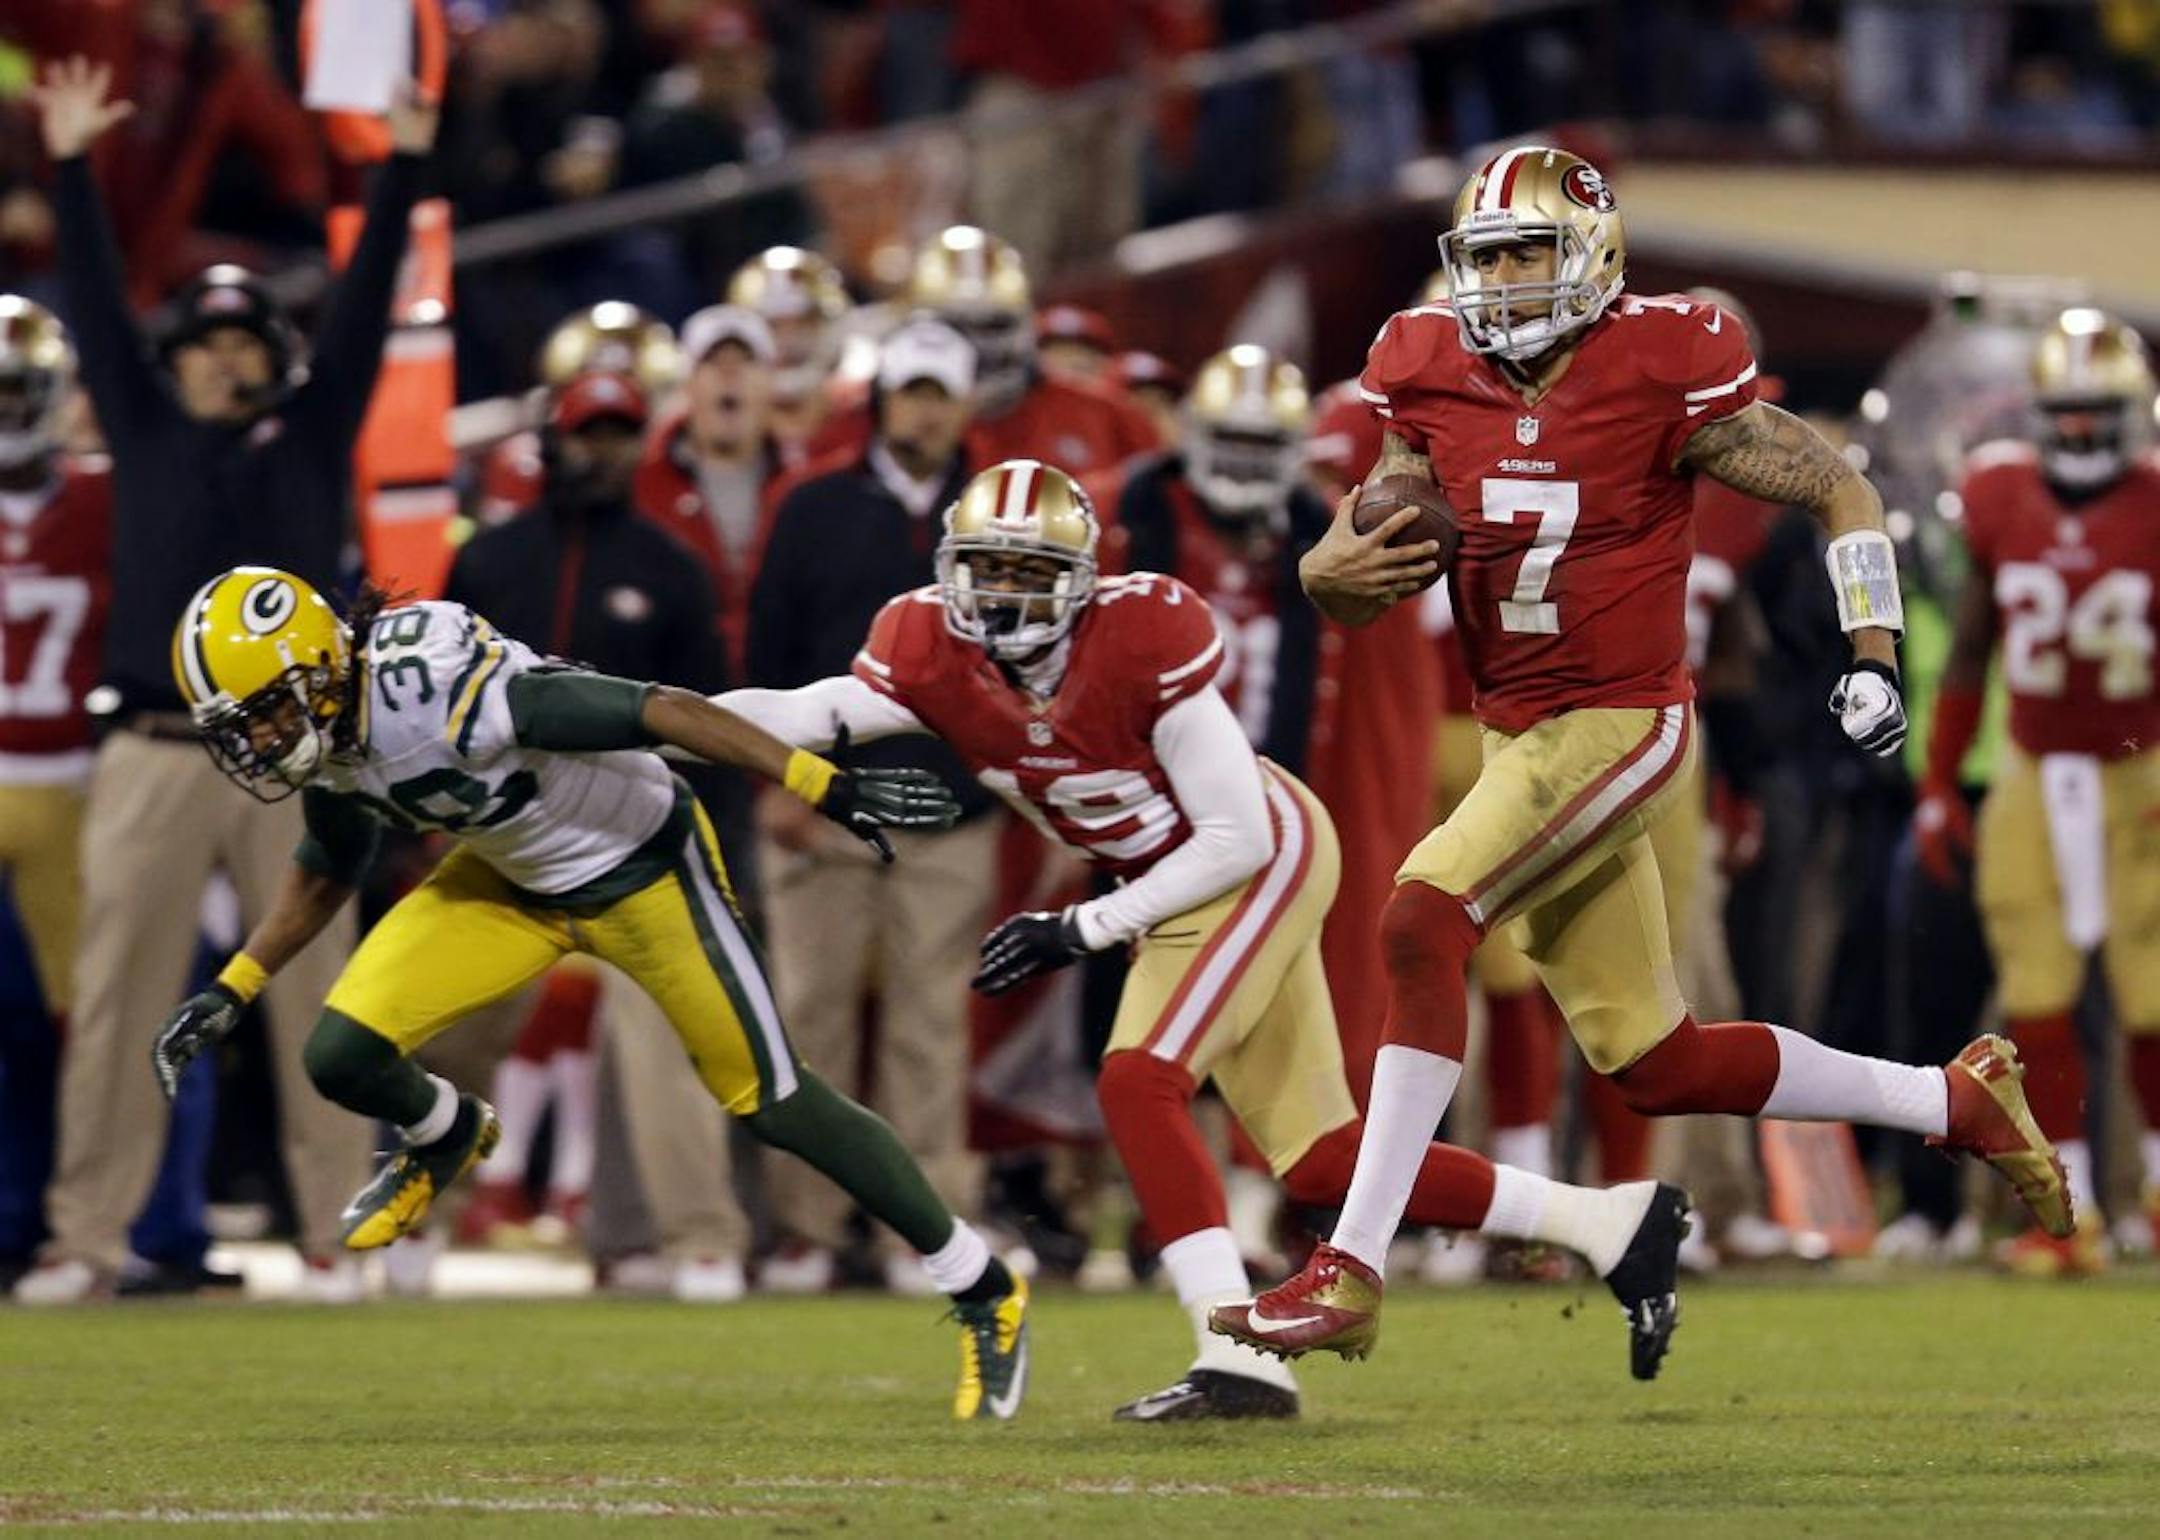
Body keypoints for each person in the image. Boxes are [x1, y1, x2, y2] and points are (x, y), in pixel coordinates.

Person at [1212, 145, 2070, 1365]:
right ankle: (1955, 1097)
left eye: (1527, 254)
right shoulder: (1424, 363)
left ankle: (1350, 1262)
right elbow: (1375, 546)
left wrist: (1875, 652)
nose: (1502, 281)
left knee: (1419, 916)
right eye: (1486, 258)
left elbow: (1839, 488)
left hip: (1622, 718)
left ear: (1592, 255)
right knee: (1658, 1062)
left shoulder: (1663, 357)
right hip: (1518, 730)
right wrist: (1325, 571)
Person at [722, 458, 1691, 1422]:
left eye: (1029, 572)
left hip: (1250, 857)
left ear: (1082, 579)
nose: (1004, 595)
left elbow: (1238, 836)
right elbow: (806, 713)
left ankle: (1236, 1357)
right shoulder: (926, 645)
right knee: (1322, 1160)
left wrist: (1084, 926)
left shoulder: (1142, 633)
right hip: (1179, 879)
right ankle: (1609, 1221)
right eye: (986, 569)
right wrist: (654, 715)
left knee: (1137, 1080)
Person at [153, 566, 1029, 1419]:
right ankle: (446, 1130)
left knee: (776, 1099)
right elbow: (330, 864)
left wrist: (819, 782)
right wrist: (234, 987)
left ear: (321, 667)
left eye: (268, 712)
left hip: (642, 871)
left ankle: (980, 1282)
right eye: (245, 725)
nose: (262, 741)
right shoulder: (334, 736)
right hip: (508, 882)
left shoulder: (438, 692)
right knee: (341, 1054)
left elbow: (660, 709)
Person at [14, 57, 432, 1304]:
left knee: (327, 996)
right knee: (117, 999)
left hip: (298, 757)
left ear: (275, 358)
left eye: (244, 342)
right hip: (150, 744)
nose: (221, 361)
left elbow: (364, 307)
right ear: (175, 357)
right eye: (204, 343)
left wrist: (402, 167)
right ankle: (86, 1239)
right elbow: (95, 307)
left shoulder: (312, 431)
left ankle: (337, 1234)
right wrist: (72, 164)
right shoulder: (142, 428)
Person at [745, 318, 1000, 1295]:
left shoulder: (999, 511)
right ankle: (807, 1225)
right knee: (810, 1022)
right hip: (825, 799)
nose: (924, 414)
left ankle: (922, 1232)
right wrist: (774, 777)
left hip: (954, 806)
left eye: (940, 396)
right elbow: (768, 649)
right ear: (883, 399)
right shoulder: (811, 505)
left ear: (964, 406)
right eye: (911, 393)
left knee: (930, 1029)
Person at [1918, 307, 2160, 1275]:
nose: (2080, 431)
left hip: (2142, 763)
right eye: (2064, 413)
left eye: (2097, 413)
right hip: (2031, 763)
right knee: (2035, 988)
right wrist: (1939, 782)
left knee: (2154, 987)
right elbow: (1971, 647)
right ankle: (2071, 1212)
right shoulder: (1997, 492)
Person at [0, 298, 107, 1277]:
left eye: (15, 393)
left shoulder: (109, 499)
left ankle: (90, 1226)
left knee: (93, 1024)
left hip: (76, 783)